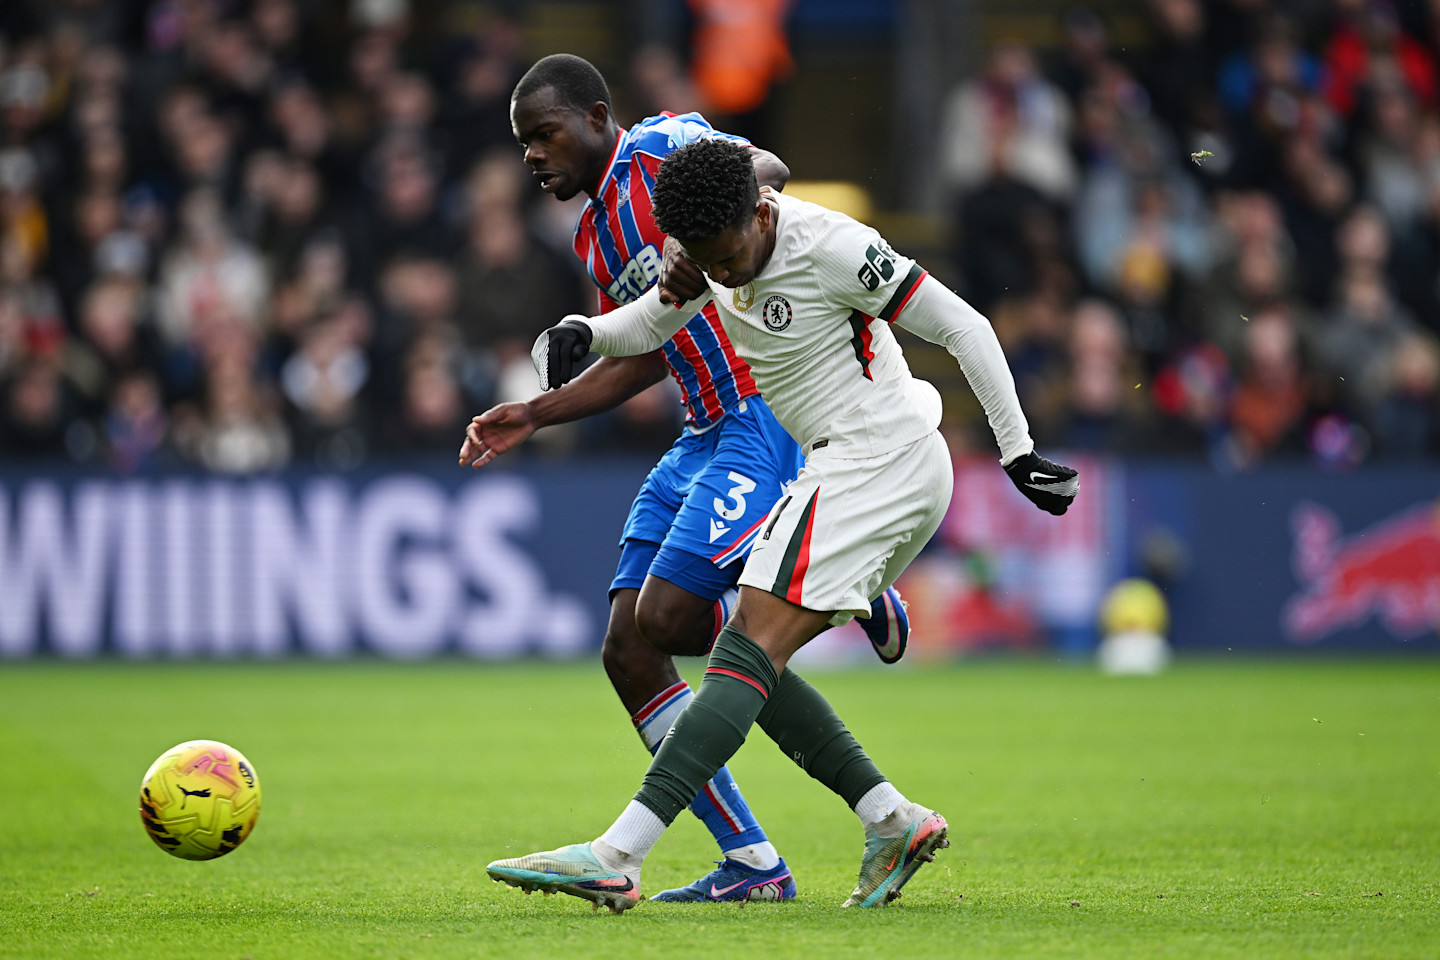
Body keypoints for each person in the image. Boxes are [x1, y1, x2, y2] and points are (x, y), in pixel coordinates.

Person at [484, 137, 1078, 911]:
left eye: (729, 256)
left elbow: (963, 325)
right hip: (837, 468)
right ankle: (889, 818)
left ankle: (620, 853)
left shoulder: (834, 246)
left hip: (879, 462)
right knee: (751, 651)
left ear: (761, 213)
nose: (723, 275)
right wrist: (585, 331)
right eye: (707, 261)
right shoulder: (709, 247)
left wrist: (1017, 451)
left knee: (741, 649)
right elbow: (654, 324)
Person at [457, 54, 909, 904]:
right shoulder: (592, 233)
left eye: (544, 136)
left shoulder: (663, 148)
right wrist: (536, 412)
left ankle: (851, 580)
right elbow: (647, 346)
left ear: (596, 118)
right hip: (700, 431)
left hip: (760, 411)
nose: (532, 157)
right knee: (631, 646)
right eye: (522, 145)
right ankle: (750, 861)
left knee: (681, 617)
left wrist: (703, 226)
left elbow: (765, 171)